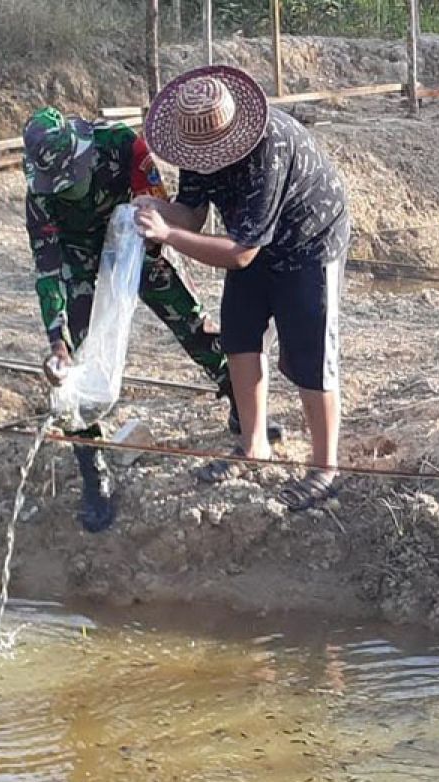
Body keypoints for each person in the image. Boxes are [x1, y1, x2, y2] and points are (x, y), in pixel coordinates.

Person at [22, 106, 269, 533]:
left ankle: (239, 404)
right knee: (79, 360)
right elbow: (48, 267)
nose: (67, 189)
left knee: (189, 318)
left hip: (135, 239)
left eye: (72, 180)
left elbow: (160, 202)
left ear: (82, 154)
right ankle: (93, 468)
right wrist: (55, 341)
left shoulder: (120, 143)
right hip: (79, 258)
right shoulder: (40, 193)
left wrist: (146, 239)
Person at [135, 65, 349, 511]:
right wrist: (152, 209)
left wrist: (168, 235)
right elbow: (192, 214)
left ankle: (325, 468)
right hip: (251, 239)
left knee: (309, 350)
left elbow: (240, 254)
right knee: (239, 333)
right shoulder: (194, 146)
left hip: (309, 242)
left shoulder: (271, 146)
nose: (203, 160)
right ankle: (254, 446)